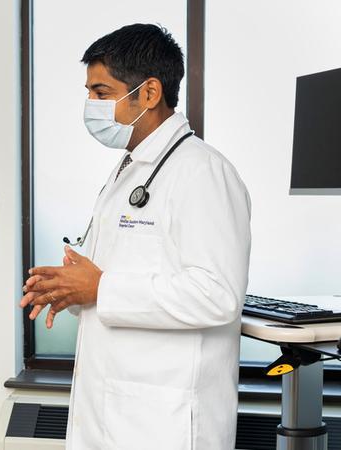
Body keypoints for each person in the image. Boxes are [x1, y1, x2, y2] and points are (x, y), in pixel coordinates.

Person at [20, 24, 251, 450]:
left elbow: (217, 294)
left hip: (167, 422)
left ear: (148, 93)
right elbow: (111, 277)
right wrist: (70, 289)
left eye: (102, 92)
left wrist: (100, 287)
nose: (91, 105)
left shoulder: (202, 173)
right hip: (113, 412)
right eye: (89, 92)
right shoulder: (130, 171)